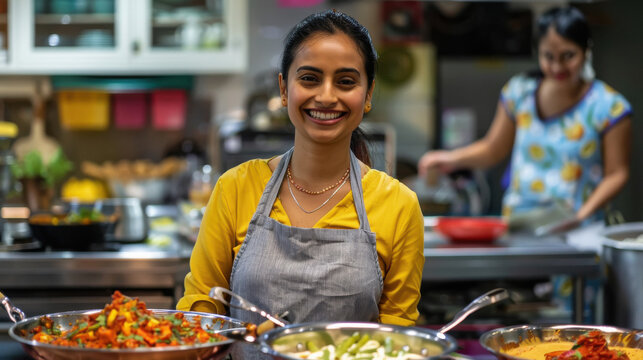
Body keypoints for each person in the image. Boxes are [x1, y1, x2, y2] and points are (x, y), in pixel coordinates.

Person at [177, 9, 425, 359]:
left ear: (368, 95)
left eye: (346, 81)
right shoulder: (235, 188)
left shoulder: (399, 205)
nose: (326, 96)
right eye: (309, 78)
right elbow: (202, 309)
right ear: (283, 88)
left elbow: (397, 336)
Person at [418, 6, 632, 224]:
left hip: (580, 229)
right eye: (548, 56)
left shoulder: (610, 107)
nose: (557, 66)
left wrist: (581, 216)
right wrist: (448, 158)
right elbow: (493, 149)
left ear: (586, 50)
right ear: (537, 52)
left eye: (568, 56)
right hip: (522, 225)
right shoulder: (520, 93)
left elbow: (617, 174)